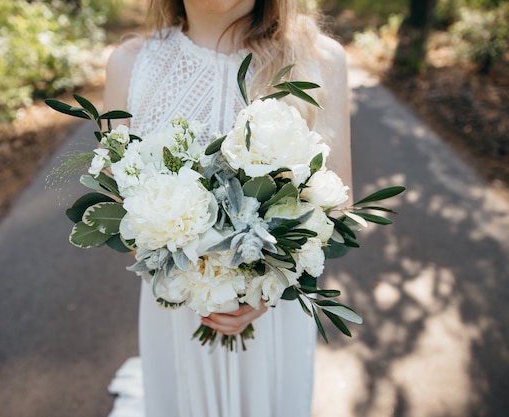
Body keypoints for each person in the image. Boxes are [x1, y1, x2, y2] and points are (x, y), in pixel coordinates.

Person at [103, 1, 352, 416]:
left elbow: (337, 203)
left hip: (274, 312)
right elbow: (120, 209)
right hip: (179, 310)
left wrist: (265, 289)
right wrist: (200, 279)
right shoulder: (130, 65)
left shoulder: (319, 60)